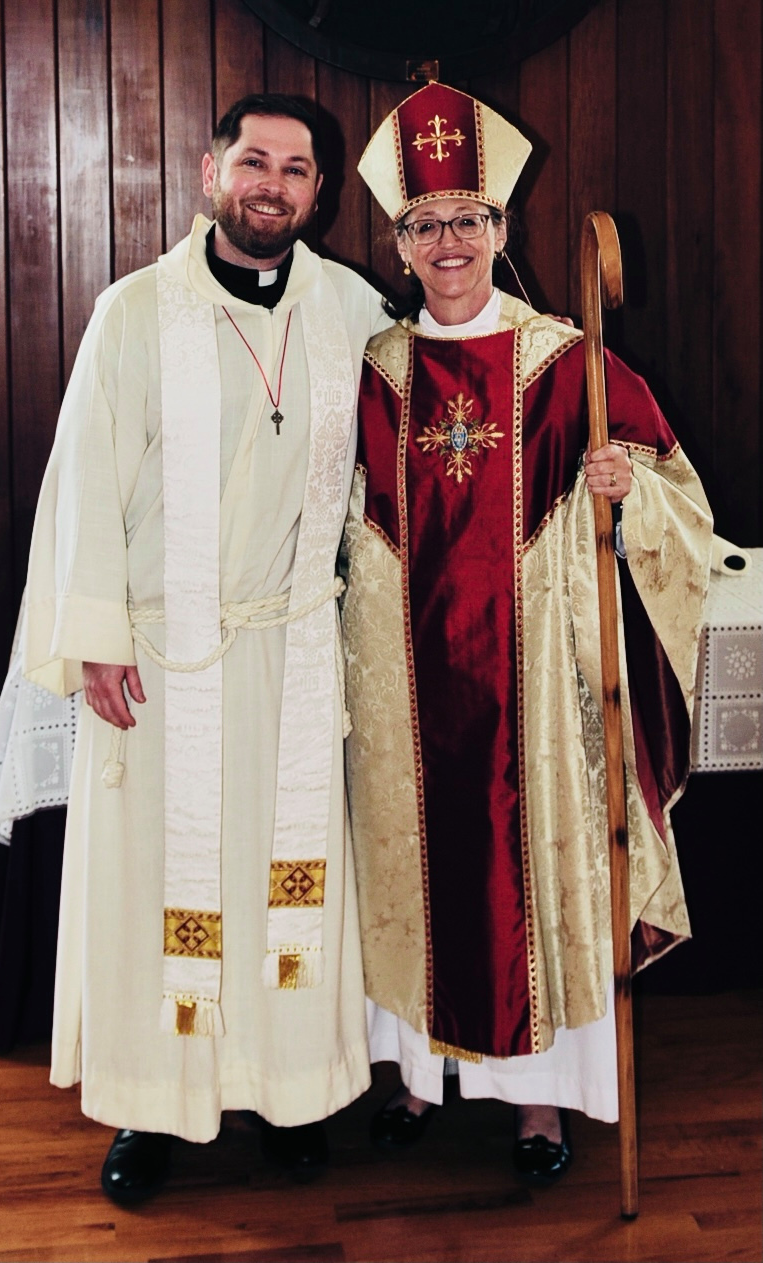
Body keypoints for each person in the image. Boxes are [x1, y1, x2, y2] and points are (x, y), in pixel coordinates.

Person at [17, 93, 389, 1203]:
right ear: (210, 170)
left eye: (295, 169)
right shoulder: (136, 312)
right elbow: (84, 477)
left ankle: (288, 1092)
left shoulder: (351, 310)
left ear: (318, 192)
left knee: (284, 883)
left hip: (290, 653)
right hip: (163, 658)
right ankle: (154, 1106)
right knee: (158, 883)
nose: (272, 184)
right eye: (253, 161)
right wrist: (94, 640)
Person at [342, 82, 713, 1184]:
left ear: (503, 230)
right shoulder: (374, 369)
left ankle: (540, 1104)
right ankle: (418, 1075)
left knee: (531, 877)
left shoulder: (567, 363)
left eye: (468, 218)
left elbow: (680, 507)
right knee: (415, 868)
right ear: (398, 244)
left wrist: (625, 494)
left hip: (539, 691)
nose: (448, 242)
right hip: (404, 684)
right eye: (425, 224)